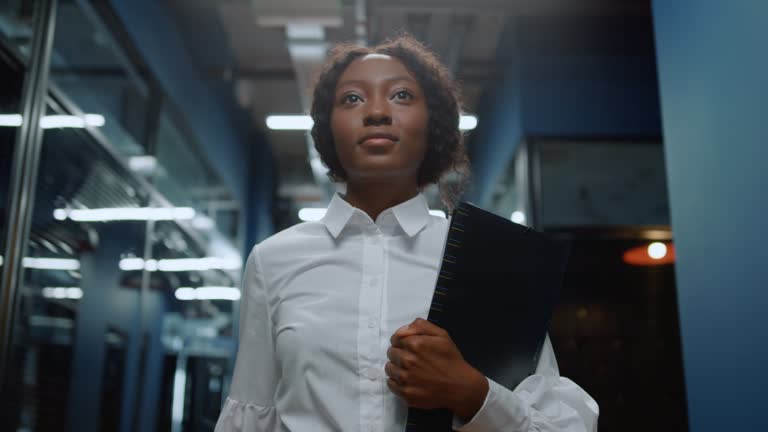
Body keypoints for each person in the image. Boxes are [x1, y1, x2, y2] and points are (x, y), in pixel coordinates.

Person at [215, 35, 599, 432]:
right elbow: (250, 414)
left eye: (401, 95)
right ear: (328, 127)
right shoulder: (273, 260)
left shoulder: (493, 258)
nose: (377, 111)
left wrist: (472, 393)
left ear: (433, 123)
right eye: (352, 99)